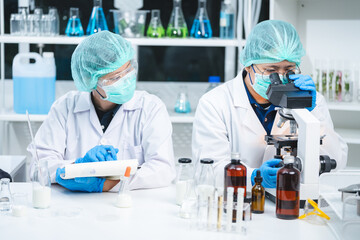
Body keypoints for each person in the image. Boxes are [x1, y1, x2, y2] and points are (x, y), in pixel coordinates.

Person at [192, 20, 347, 189]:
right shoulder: (215, 104)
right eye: (271, 71)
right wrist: (253, 177)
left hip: (291, 202)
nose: (280, 78)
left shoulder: (312, 100)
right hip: (241, 201)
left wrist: (310, 115)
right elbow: (208, 170)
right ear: (248, 65)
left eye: (289, 70)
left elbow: (336, 161)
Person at [27, 31, 176, 192]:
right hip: (72, 208)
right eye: (114, 78)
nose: (125, 80)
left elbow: (163, 169)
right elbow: (38, 165)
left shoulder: (151, 107)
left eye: (128, 71)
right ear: (89, 80)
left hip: (130, 208)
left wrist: (103, 184)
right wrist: (77, 167)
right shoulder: (65, 107)